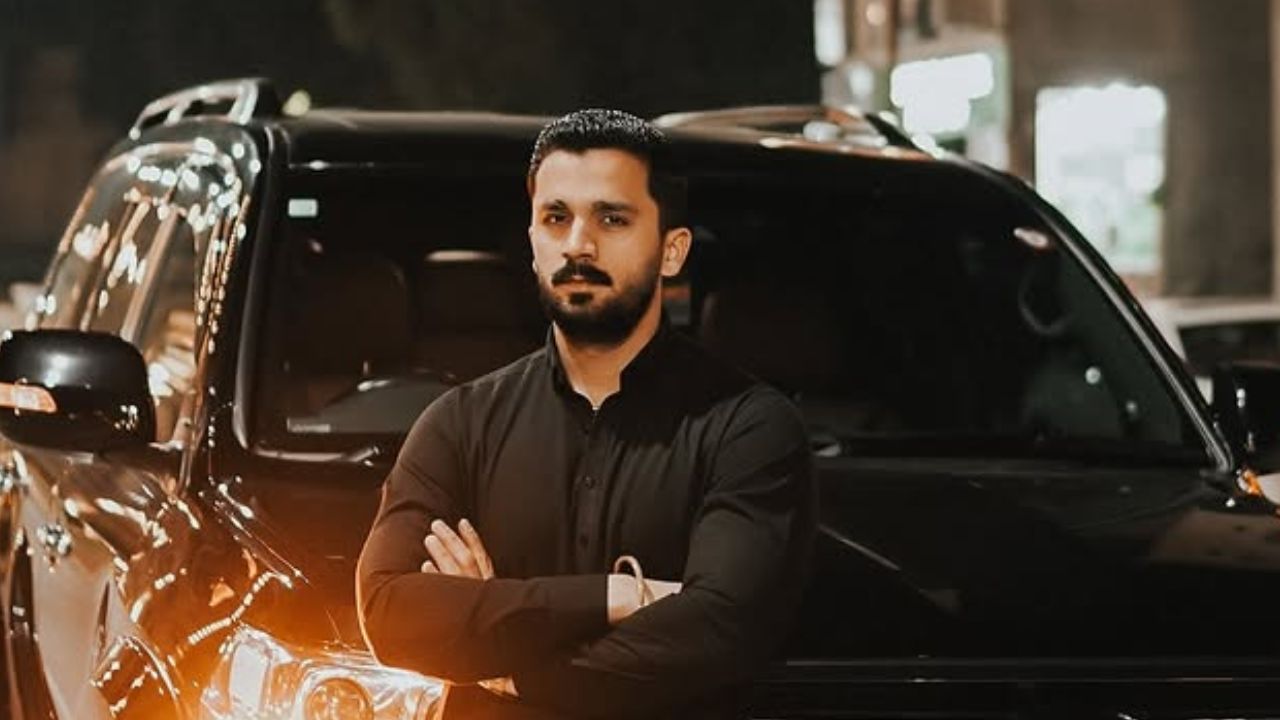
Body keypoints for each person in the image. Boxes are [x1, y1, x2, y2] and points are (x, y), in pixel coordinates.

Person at [357, 108, 816, 719]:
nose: (578, 244)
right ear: (533, 243)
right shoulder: (459, 424)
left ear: (672, 250)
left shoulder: (749, 427)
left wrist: (501, 651)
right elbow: (390, 613)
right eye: (556, 218)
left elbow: (721, 629)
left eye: (612, 218)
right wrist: (620, 596)